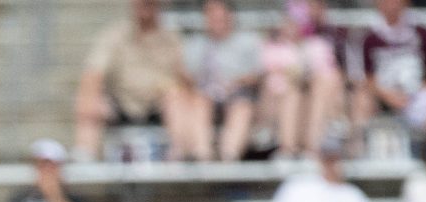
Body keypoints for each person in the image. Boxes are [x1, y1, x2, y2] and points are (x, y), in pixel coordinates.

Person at [73, 0, 181, 159]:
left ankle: (180, 161)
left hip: (158, 108)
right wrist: (90, 97)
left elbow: (184, 80)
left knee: (177, 98)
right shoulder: (115, 35)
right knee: (90, 99)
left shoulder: (172, 39)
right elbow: (93, 71)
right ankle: (84, 156)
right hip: (121, 106)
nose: (145, 4)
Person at [346, 0, 426, 141]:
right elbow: (358, 76)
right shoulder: (364, 31)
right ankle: (358, 153)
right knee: (360, 100)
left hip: (416, 94)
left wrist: (424, 87)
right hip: (378, 96)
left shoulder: (423, 27)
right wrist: (387, 95)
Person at [169, 0, 262, 164]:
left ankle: (228, 157)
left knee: (242, 108)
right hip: (204, 96)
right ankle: (202, 154)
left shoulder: (248, 41)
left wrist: (235, 83)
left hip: (238, 95)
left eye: (218, 14)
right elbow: (186, 77)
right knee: (196, 101)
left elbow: (259, 75)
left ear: (229, 16)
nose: (214, 18)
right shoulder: (195, 44)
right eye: (210, 14)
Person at [259, 0, 343, 161]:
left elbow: (327, 73)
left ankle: (312, 147)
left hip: (312, 100)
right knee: (292, 93)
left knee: (321, 86)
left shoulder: (317, 45)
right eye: (289, 22)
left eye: (297, 22)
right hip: (279, 101)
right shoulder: (274, 47)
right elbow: (271, 77)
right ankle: (287, 148)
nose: (292, 27)